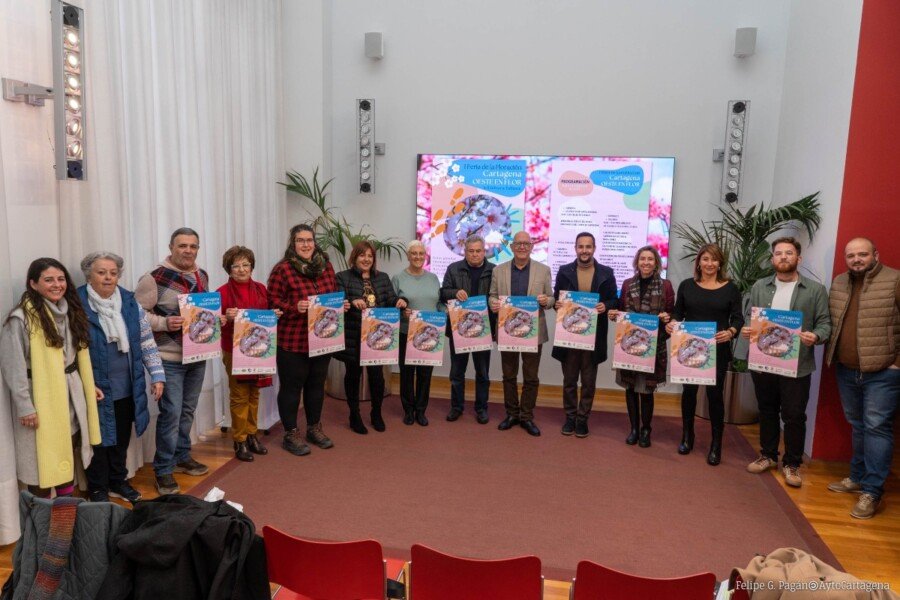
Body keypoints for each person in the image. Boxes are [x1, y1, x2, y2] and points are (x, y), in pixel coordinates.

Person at [0, 258, 103, 498]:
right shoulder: (20, 319)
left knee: (66, 456)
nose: (57, 285)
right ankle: (44, 518)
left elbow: (75, 357)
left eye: (60, 279)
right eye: (48, 280)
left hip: (70, 394)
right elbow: (13, 368)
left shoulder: (71, 312)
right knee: (42, 465)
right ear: (33, 284)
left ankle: (64, 518)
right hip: (40, 399)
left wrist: (88, 387)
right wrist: (25, 407)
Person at [739, 237, 831, 488]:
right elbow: (750, 317)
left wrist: (817, 336)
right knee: (767, 410)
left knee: (794, 415)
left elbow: (825, 323)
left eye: (788, 253)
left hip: (797, 365)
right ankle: (768, 456)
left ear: (798, 258)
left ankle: (792, 464)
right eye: (778, 253)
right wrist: (747, 329)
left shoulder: (815, 290)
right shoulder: (760, 286)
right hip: (764, 361)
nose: (783, 257)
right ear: (772, 259)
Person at [78, 252, 166, 503]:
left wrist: (157, 375)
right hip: (95, 386)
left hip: (127, 384)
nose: (108, 277)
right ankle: (97, 487)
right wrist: (84, 384)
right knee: (98, 439)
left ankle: (118, 481)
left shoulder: (129, 302)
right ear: (89, 275)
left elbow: (146, 341)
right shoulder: (77, 303)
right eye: (101, 272)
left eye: (113, 273)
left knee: (121, 437)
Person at [135, 227, 218, 495]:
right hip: (168, 358)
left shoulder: (201, 275)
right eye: (182, 245)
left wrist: (216, 320)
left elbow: (203, 311)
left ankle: (182, 455)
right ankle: (163, 470)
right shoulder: (154, 277)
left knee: (187, 410)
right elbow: (137, 314)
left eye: (193, 246)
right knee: (171, 413)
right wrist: (164, 322)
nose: (188, 251)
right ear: (171, 247)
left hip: (198, 355)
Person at [825, 237, 899, 519]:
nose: (856, 259)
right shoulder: (840, 282)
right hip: (846, 369)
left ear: (875, 255)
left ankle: (872, 491)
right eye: (851, 255)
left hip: (883, 371)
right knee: (858, 425)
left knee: (877, 427)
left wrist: (897, 363)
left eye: (862, 254)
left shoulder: (894, 280)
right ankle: (857, 477)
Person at [267, 224, 343, 456]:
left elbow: (333, 295)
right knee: (291, 388)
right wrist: (294, 307)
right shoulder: (283, 269)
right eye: (300, 240)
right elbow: (272, 302)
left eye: (309, 240)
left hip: (322, 339)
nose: (306, 244)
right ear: (293, 243)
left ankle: (313, 428)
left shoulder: (326, 266)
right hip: (293, 340)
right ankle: (290, 434)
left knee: (316, 386)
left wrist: (340, 306)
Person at [666, 243, 742, 465]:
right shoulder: (687, 285)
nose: (709, 263)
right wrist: (672, 323)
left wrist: (731, 332)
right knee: (688, 393)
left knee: (715, 396)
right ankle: (687, 436)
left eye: (714, 259)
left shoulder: (731, 288)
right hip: (689, 350)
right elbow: (678, 313)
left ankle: (716, 444)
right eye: (705, 259)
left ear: (720, 263)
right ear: (699, 262)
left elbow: (738, 318)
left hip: (717, 350)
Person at [219, 246, 282, 462]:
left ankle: (252, 435)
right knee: (239, 395)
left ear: (252, 267)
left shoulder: (262, 289)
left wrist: (274, 314)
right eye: (236, 266)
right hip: (233, 349)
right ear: (228, 269)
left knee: (254, 393)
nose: (241, 269)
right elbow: (214, 323)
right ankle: (240, 440)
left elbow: (266, 316)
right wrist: (226, 317)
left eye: (245, 264)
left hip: (259, 349)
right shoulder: (221, 292)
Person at [551, 232, 618, 438]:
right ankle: (570, 417)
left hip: (593, 336)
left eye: (588, 246)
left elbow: (614, 300)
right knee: (569, 381)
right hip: (569, 336)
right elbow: (556, 299)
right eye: (581, 246)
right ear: (575, 248)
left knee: (588, 382)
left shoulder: (606, 272)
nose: (584, 250)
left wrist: (605, 305)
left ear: (594, 248)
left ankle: (582, 419)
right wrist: (557, 304)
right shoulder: (564, 271)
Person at [336, 241, 407, 434]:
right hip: (354, 336)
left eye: (370, 256)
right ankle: (354, 415)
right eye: (362, 255)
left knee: (377, 377)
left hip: (377, 337)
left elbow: (390, 298)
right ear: (354, 257)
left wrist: (400, 301)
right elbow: (338, 303)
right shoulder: (342, 277)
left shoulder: (382, 277)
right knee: (353, 376)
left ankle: (376, 413)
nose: (366, 259)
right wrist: (351, 301)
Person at [607, 245, 674, 447]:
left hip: (652, 348)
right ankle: (634, 428)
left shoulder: (666, 286)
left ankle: (646, 429)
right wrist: (614, 314)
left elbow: (672, 314)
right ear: (637, 262)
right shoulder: (628, 284)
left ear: (656, 263)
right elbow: (622, 311)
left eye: (650, 259)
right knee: (630, 388)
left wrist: (667, 318)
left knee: (646, 390)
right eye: (642, 259)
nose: (646, 262)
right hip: (629, 346)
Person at [489, 231, 555, 436]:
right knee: (509, 375)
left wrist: (546, 301)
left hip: (533, 333)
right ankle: (511, 414)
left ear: (532, 246)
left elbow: (552, 298)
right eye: (518, 243)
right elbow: (492, 296)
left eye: (526, 243)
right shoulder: (498, 270)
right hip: (507, 331)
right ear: (512, 247)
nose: (522, 247)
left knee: (531, 377)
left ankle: (526, 416)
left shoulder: (543, 270)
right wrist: (493, 304)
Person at [440, 234, 496, 424]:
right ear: (465, 251)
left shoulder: (494, 271)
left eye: (478, 251)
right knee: (457, 372)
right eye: (471, 251)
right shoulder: (453, 269)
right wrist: (455, 292)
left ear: (484, 251)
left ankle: (481, 409)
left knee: (483, 373)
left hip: (483, 330)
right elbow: (443, 293)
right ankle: (456, 407)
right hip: (459, 330)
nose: (475, 254)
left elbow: (498, 296)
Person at [392, 240, 441, 426]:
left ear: (425, 255)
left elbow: (438, 303)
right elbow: (392, 304)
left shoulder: (433, 278)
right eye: (414, 253)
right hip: (406, 333)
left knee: (425, 374)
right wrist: (401, 312)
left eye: (421, 253)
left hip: (430, 334)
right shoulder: (398, 278)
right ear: (408, 256)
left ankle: (421, 410)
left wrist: (445, 313)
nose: (418, 257)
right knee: (407, 374)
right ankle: (408, 410)